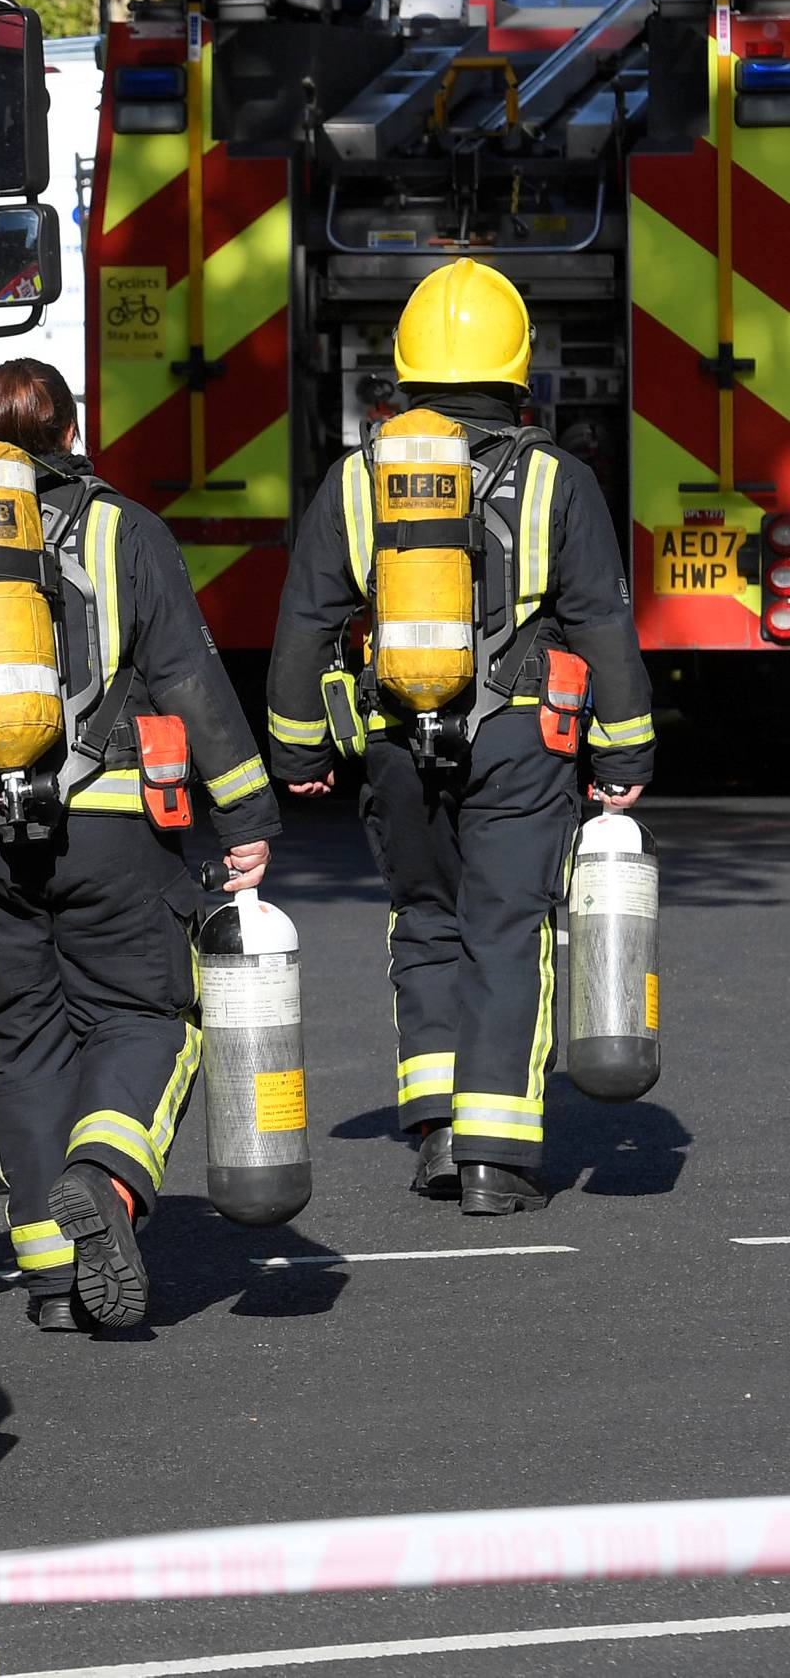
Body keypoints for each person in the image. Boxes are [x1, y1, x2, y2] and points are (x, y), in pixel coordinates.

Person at [0, 359, 280, 1333]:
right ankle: (107, 1177)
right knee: (145, 1014)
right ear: (74, 428)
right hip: (115, 828)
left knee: (27, 1040)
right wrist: (248, 816)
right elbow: (190, 681)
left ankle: (50, 1279)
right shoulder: (127, 531)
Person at [266, 258, 653, 1215]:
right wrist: (625, 752)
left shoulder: (358, 481)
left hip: (397, 741)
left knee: (427, 920)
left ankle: (437, 1131)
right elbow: (603, 626)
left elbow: (304, 629)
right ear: (518, 371)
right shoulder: (558, 479)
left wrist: (298, 752)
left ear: (404, 372)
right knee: (508, 929)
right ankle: (496, 1157)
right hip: (523, 740)